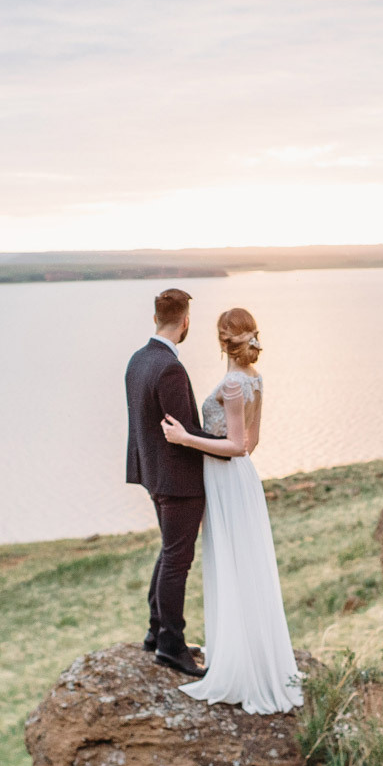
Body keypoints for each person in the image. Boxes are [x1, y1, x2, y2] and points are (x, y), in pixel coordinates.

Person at [159, 307, 303, 714]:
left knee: (233, 564)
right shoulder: (255, 380)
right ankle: (245, 651)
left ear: (223, 340)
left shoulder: (234, 384)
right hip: (240, 479)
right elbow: (251, 446)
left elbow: (238, 444)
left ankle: (240, 665)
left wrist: (186, 438)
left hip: (226, 478)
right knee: (243, 564)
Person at [124, 288, 230, 677]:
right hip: (178, 481)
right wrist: (231, 449)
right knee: (176, 562)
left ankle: (156, 633)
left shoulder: (138, 360)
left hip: (152, 474)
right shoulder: (169, 368)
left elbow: (144, 426)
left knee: (169, 552)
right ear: (186, 322)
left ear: (156, 318)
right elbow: (184, 432)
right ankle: (171, 644)